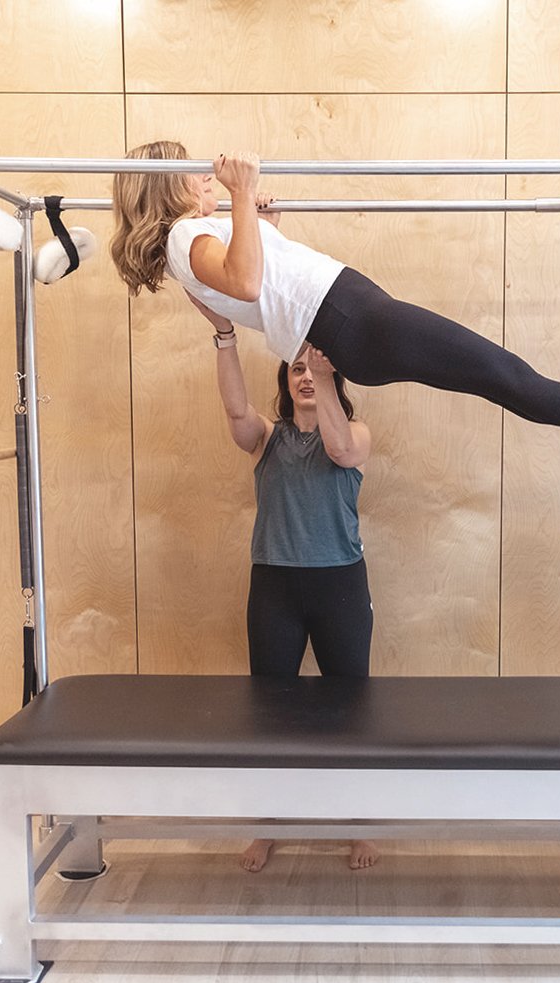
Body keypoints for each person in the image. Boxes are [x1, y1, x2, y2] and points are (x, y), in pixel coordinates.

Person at [110, 141, 560, 447]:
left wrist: (257, 219)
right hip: (350, 319)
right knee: (503, 373)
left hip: (349, 320)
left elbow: (254, 288)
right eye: (191, 171)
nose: (205, 175)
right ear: (165, 190)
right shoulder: (188, 234)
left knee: (500, 377)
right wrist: (242, 195)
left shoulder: (192, 242)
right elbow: (247, 282)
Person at [188, 287, 379, 873]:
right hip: (275, 587)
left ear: (331, 378)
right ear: (284, 378)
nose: (303, 377)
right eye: (294, 369)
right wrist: (225, 336)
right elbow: (236, 414)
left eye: (312, 370)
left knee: (351, 711)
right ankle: (268, 825)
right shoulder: (268, 440)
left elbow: (341, 447)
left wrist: (322, 374)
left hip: (339, 586)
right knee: (271, 712)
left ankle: (358, 825)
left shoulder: (357, 433)